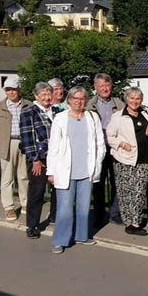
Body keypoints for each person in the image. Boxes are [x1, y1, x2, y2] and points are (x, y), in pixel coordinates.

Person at [47, 87, 105, 254]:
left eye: (82, 99)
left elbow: (99, 143)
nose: (79, 102)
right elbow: (53, 147)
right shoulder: (60, 118)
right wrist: (51, 171)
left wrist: (97, 162)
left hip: (86, 170)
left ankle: (82, 235)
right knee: (64, 208)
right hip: (65, 171)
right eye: (76, 98)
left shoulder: (92, 117)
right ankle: (59, 240)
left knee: (83, 207)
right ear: (69, 100)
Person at [106, 87, 148, 236]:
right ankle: (128, 222)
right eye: (132, 98)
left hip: (143, 159)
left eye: (138, 99)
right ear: (126, 99)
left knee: (139, 191)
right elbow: (110, 136)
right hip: (123, 158)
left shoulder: (146, 112)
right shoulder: (118, 116)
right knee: (125, 192)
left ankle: (135, 222)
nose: (135, 101)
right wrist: (121, 144)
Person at [20, 82, 62, 238]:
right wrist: (34, 159)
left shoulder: (57, 111)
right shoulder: (29, 112)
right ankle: (32, 225)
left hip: (56, 157)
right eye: (43, 94)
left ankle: (55, 216)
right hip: (40, 158)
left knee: (58, 188)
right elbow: (27, 137)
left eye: (48, 94)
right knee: (36, 192)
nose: (46, 97)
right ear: (36, 96)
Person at [86, 73, 125, 227]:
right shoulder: (89, 105)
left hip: (115, 148)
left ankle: (115, 213)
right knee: (99, 183)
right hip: (97, 148)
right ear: (95, 87)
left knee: (117, 182)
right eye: (101, 86)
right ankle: (99, 214)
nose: (104, 88)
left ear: (111, 87)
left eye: (107, 85)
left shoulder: (119, 104)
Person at [0, 78, 31, 220]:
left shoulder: (28, 105)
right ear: (5, 91)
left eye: (13, 89)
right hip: (6, 144)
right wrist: (0, 141)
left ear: (19, 89)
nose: (11, 92)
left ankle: (25, 203)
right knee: (7, 178)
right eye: (8, 89)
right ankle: (9, 208)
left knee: (23, 176)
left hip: (24, 143)